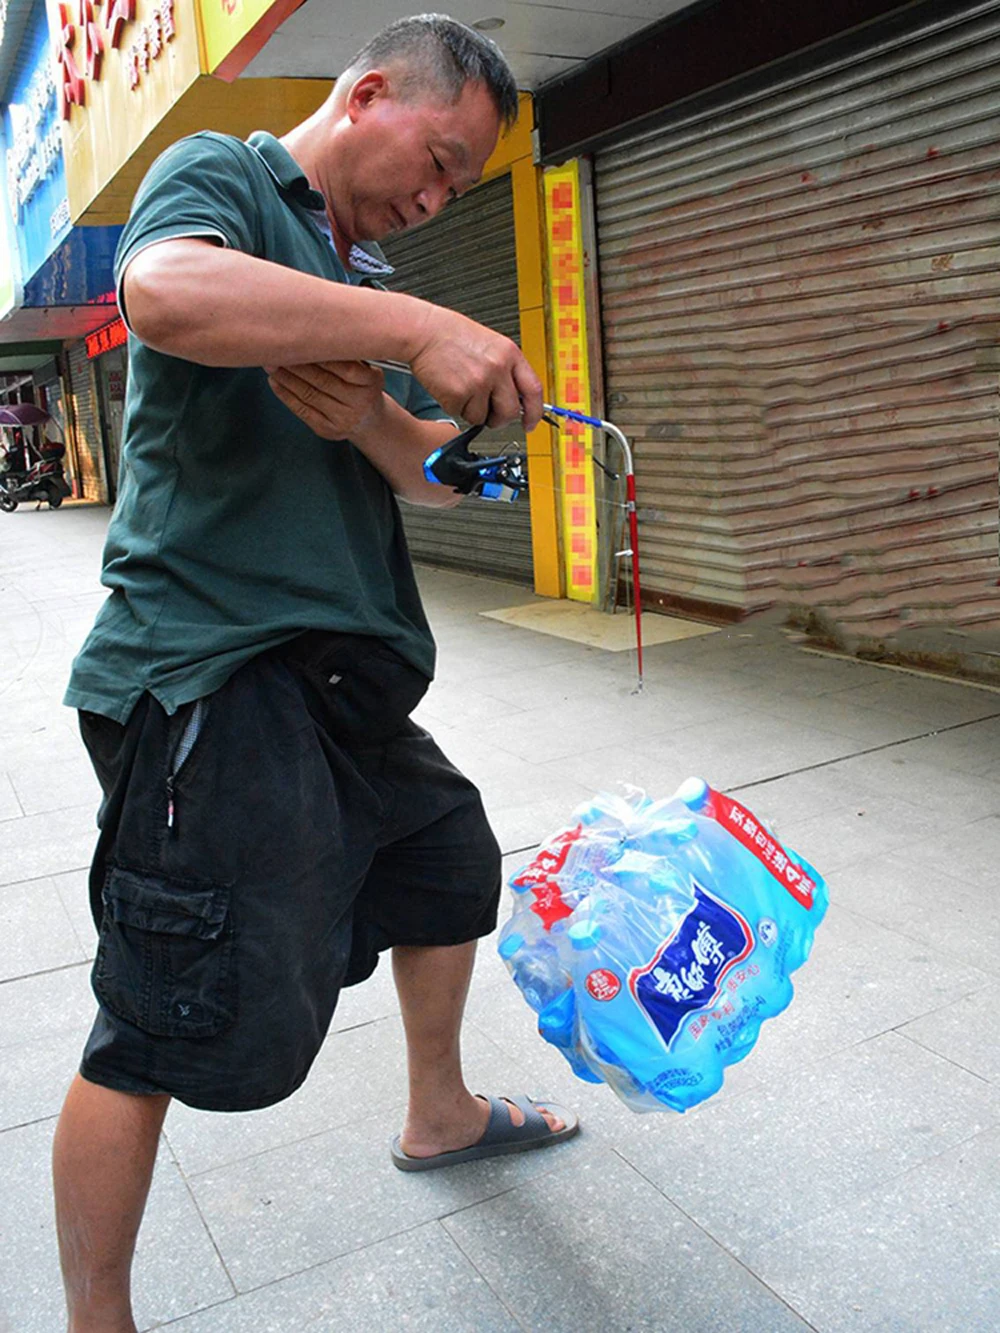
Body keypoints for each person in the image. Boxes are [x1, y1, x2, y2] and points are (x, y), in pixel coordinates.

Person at [53, 15, 578, 1331]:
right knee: (169, 1009)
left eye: (463, 186)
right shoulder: (222, 178)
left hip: (339, 683)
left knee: (448, 862)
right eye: (441, 159)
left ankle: (440, 1113)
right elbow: (163, 294)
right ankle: (96, 1315)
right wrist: (410, 324)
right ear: (366, 94)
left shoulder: (358, 263)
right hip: (212, 671)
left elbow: (416, 471)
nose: (439, 192)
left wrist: (463, 437)